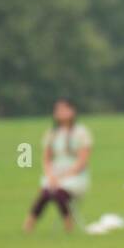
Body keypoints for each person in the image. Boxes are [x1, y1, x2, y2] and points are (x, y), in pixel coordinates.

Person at [23, 98, 92, 233]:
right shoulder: (52, 133)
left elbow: (83, 160)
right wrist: (51, 175)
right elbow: (46, 159)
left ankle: (68, 222)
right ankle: (29, 223)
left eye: (64, 109)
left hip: (75, 175)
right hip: (55, 173)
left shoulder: (81, 133)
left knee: (59, 193)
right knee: (46, 193)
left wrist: (64, 176)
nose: (60, 113)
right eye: (58, 110)